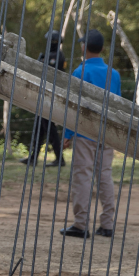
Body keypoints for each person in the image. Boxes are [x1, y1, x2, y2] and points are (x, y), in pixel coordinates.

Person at [60, 30, 122, 239]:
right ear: (102, 49)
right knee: (104, 175)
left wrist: (67, 133)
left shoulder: (80, 72)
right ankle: (107, 225)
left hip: (84, 131)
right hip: (107, 133)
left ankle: (80, 224)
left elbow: (72, 105)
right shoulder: (114, 74)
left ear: (83, 47)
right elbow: (118, 106)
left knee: (83, 175)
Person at [22, 31, 67, 167]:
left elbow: (50, 72)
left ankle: (60, 159)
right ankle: (33, 157)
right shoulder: (47, 55)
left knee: (49, 129)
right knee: (39, 127)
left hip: (50, 96)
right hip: (42, 95)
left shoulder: (58, 56)